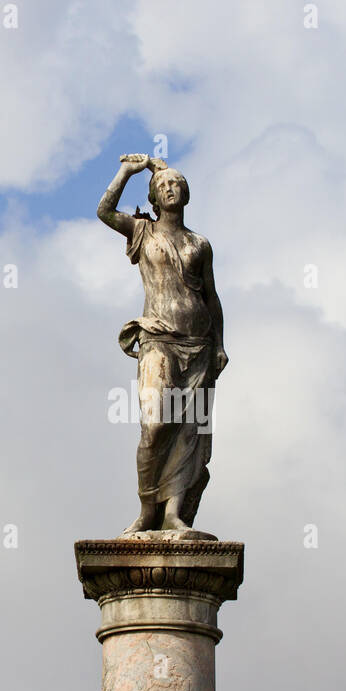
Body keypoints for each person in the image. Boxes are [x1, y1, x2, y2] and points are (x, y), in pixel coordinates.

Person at [97, 153, 228, 535]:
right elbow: (105, 211)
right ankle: (146, 507)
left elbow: (212, 297)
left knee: (189, 429)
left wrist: (219, 343)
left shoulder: (199, 244)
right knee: (155, 425)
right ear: (154, 197)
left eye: (177, 184)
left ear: (186, 195)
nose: (171, 189)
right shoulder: (142, 231)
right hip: (157, 339)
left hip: (199, 346)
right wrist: (127, 171)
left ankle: (173, 512)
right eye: (164, 185)